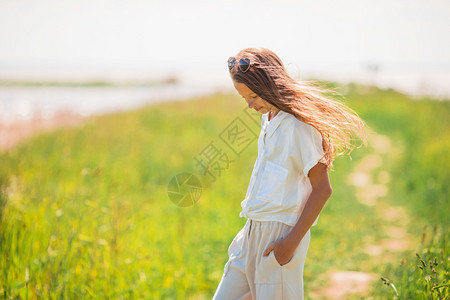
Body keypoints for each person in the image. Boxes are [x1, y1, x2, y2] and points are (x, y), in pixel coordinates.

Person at [213, 48, 366, 300]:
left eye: (253, 96)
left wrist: (290, 243)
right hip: (250, 232)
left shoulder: (298, 126)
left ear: (269, 85)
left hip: (279, 236)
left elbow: (322, 189)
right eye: (244, 99)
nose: (250, 105)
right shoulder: (269, 118)